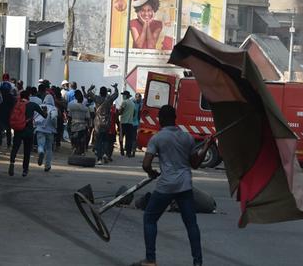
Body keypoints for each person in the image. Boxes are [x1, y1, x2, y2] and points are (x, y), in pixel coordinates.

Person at [132, 105, 212, 266]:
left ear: (160, 120)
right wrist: (206, 147)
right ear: (175, 119)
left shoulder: (158, 138)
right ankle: (198, 262)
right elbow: (195, 164)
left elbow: (146, 164)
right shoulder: (187, 137)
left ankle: (150, 260)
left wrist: (152, 173)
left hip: (166, 186)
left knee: (149, 218)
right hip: (184, 186)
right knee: (191, 224)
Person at [9, 90, 46, 177]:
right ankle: (25, 170)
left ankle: (12, 162)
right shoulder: (33, 105)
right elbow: (44, 115)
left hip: (18, 130)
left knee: (15, 148)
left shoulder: (16, 104)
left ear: (21, 97)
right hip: (28, 130)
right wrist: (45, 111)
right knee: (27, 151)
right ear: (28, 96)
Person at [86, 84, 118, 164]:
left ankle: (99, 158)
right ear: (106, 93)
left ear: (100, 92)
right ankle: (105, 154)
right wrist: (115, 87)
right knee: (105, 139)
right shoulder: (109, 99)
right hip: (107, 122)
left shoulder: (97, 98)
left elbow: (89, 93)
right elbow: (116, 94)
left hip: (98, 122)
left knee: (98, 140)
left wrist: (91, 88)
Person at [35, 94, 58, 172]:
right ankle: (47, 166)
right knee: (49, 148)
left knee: (40, 145)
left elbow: (34, 117)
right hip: (50, 130)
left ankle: (41, 152)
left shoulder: (40, 106)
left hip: (40, 129)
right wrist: (55, 126)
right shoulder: (53, 108)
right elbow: (54, 117)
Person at [0, 74, 15, 149]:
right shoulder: (11, 95)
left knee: (0, 128)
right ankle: (9, 144)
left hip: (1, 112)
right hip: (9, 113)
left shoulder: (0, 95)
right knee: (8, 129)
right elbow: (13, 104)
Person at [119, 90, 136, 157]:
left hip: (123, 122)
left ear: (126, 96)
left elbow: (121, 111)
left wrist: (118, 112)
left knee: (121, 136)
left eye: (123, 95)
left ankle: (121, 149)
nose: (123, 96)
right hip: (130, 123)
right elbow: (134, 114)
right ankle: (128, 152)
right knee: (129, 138)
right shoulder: (133, 103)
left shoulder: (124, 102)